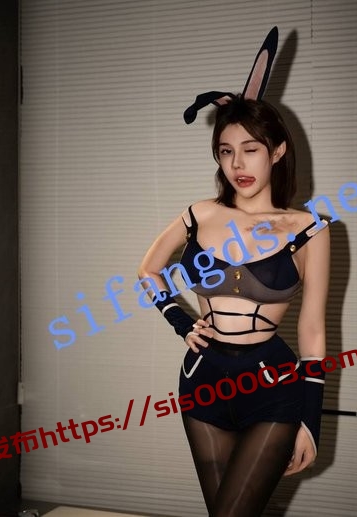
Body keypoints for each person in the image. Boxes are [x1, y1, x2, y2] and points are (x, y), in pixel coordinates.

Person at [137, 29, 330, 516]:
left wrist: (311, 421)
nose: (237, 163)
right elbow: (148, 270)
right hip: (202, 382)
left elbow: (312, 330)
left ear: (277, 151)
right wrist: (181, 323)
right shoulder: (200, 214)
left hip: (274, 387)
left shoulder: (309, 229)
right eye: (225, 150)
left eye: (251, 148)